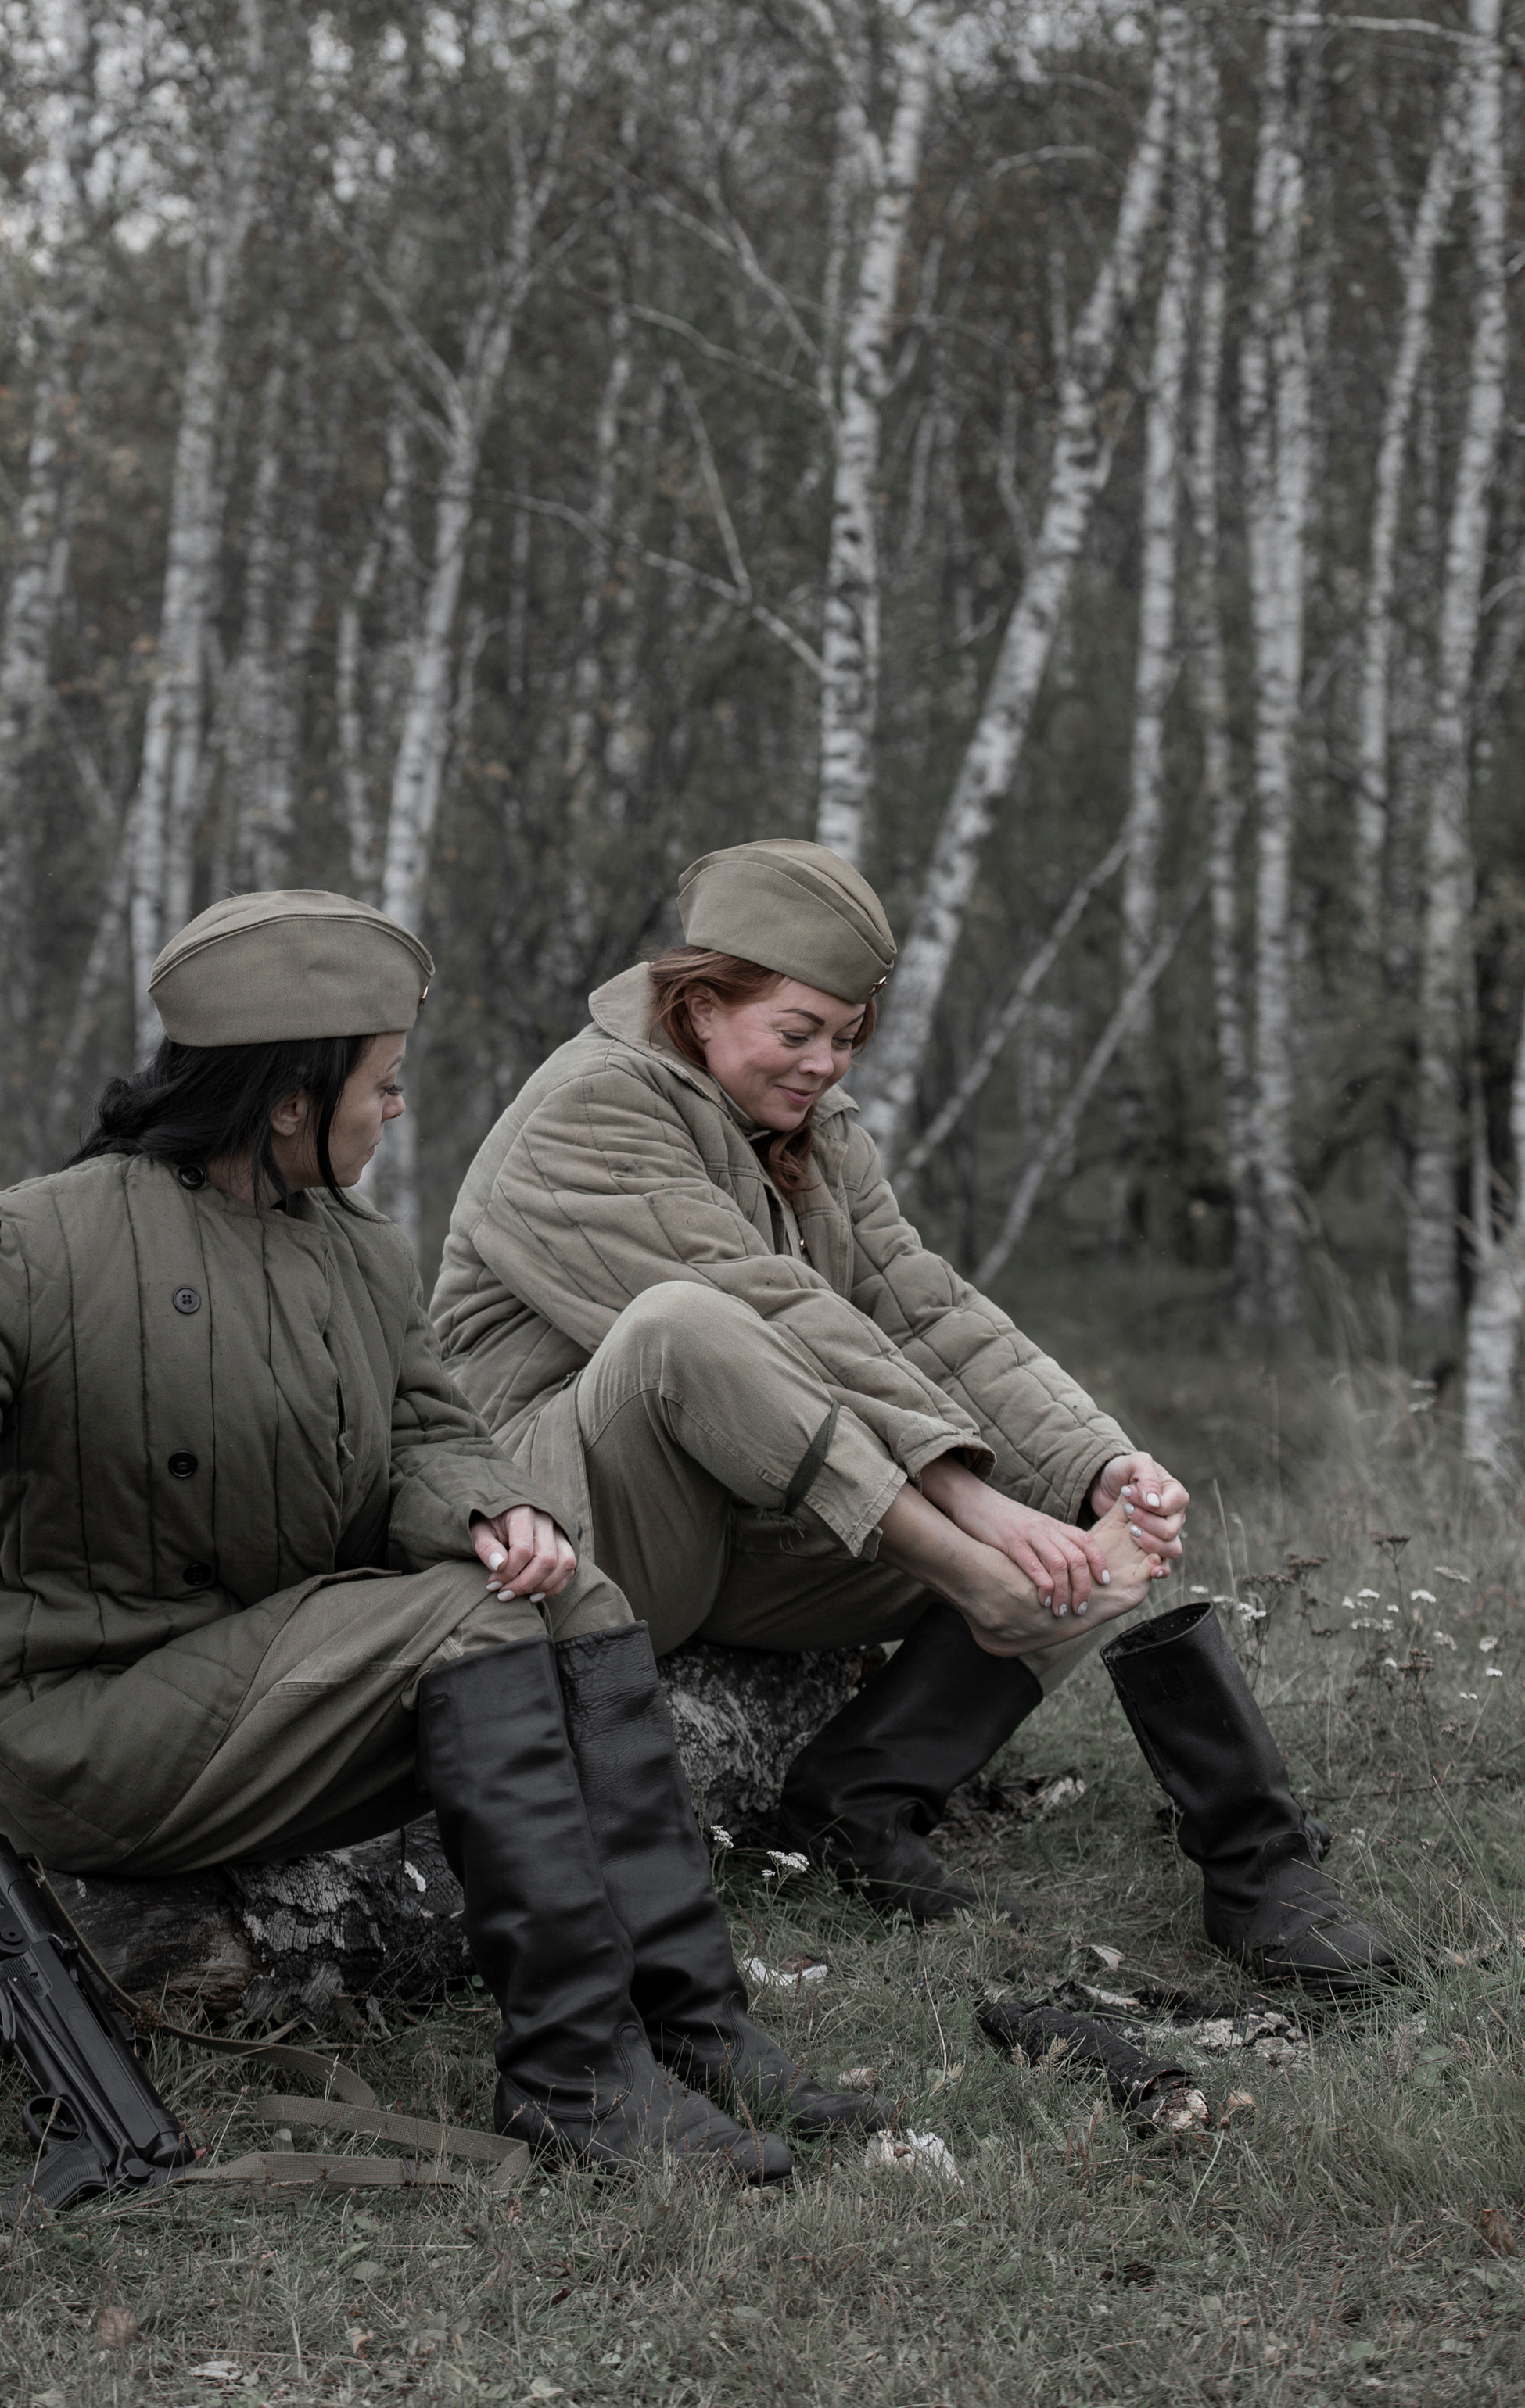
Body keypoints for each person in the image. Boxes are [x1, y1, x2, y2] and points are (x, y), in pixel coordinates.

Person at [0, 888, 898, 2184]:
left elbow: (425, 1433)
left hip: (276, 1674)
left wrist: (497, 1508)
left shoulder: (359, 1250)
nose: (395, 1110)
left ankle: (694, 2025)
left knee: (568, 1590)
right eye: (383, 1085)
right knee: (474, 1620)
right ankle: (576, 2082)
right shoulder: (38, 1241)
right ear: (292, 1098)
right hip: (85, 1720)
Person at [431, 839, 1398, 1993]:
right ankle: (981, 1584)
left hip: (743, 1508)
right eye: (798, 1033)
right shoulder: (586, 1110)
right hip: (570, 1530)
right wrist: (962, 1501)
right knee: (681, 1323)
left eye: (847, 1037)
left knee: (1085, 1515)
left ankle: (1223, 1858)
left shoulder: (811, 1137)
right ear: (697, 1005)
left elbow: (926, 1310)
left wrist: (1100, 1464)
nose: (827, 1065)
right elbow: (765, 1312)